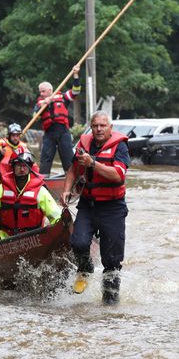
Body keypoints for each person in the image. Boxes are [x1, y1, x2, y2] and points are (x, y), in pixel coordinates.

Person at [61, 111, 130, 305]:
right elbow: (73, 169)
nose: (99, 129)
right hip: (88, 205)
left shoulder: (120, 147)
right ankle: (85, 268)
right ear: (91, 127)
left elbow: (118, 175)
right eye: (95, 126)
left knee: (112, 260)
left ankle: (110, 303)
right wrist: (67, 190)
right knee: (79, 242)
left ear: (110, 128)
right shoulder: (84, 145)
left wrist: (93, 163)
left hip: (113, 208)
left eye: (103, 126)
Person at [0, 152, 62, 248]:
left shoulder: (40, 191)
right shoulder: (1, 189)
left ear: (30, 169)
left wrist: (60, 235)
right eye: (19, 166)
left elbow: (56, 217)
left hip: (34, 240)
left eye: (25, 166)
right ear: (13, 168)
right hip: (6, 240)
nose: (22, 169)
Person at [35, 65, 81, 176]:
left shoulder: (63, 97)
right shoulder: (40, 103)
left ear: (50, 90)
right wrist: (45, 103)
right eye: (40, 92)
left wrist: (75, 75)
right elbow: (35, 115)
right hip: (49, 133)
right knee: (45, 159)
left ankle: (71, 180)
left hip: (63, 132)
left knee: (68, 158)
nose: (41, 94)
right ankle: (43, 181)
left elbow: (76, 91)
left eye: (43, 91)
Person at [0, 123, 37, 192]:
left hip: (18, 176)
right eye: (13, 135)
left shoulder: (23, 147)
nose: (15, 138)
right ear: (9, 136)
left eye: (17, 135)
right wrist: (0, 154)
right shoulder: (2, 145)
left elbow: (31, 164)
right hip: (1, 176)